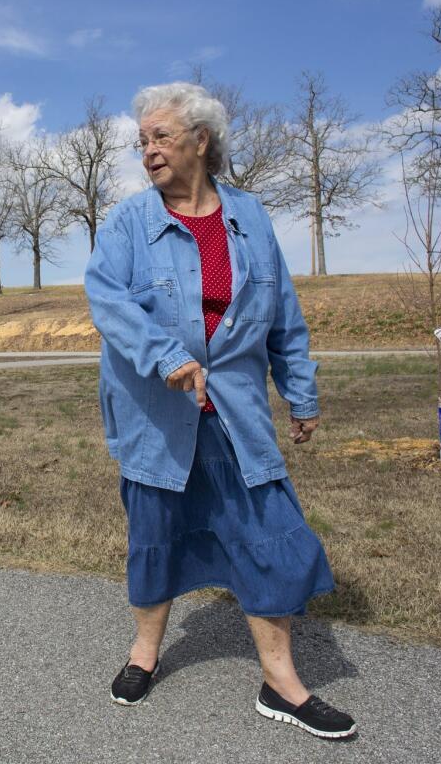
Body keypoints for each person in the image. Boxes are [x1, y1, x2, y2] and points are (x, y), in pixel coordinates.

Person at [84, 82, 356, 740]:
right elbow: (106, 297)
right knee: (156, 535)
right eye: (142, 140)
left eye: (161, 136)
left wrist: (302, 392)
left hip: (235, 409)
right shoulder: (128, 223)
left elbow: (282, 315)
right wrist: (164, 355)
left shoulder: (251, 217)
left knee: (271, 533)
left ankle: (281, 682)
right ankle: (144, 652)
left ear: (201, 141)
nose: (148, 150)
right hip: (158, 409)